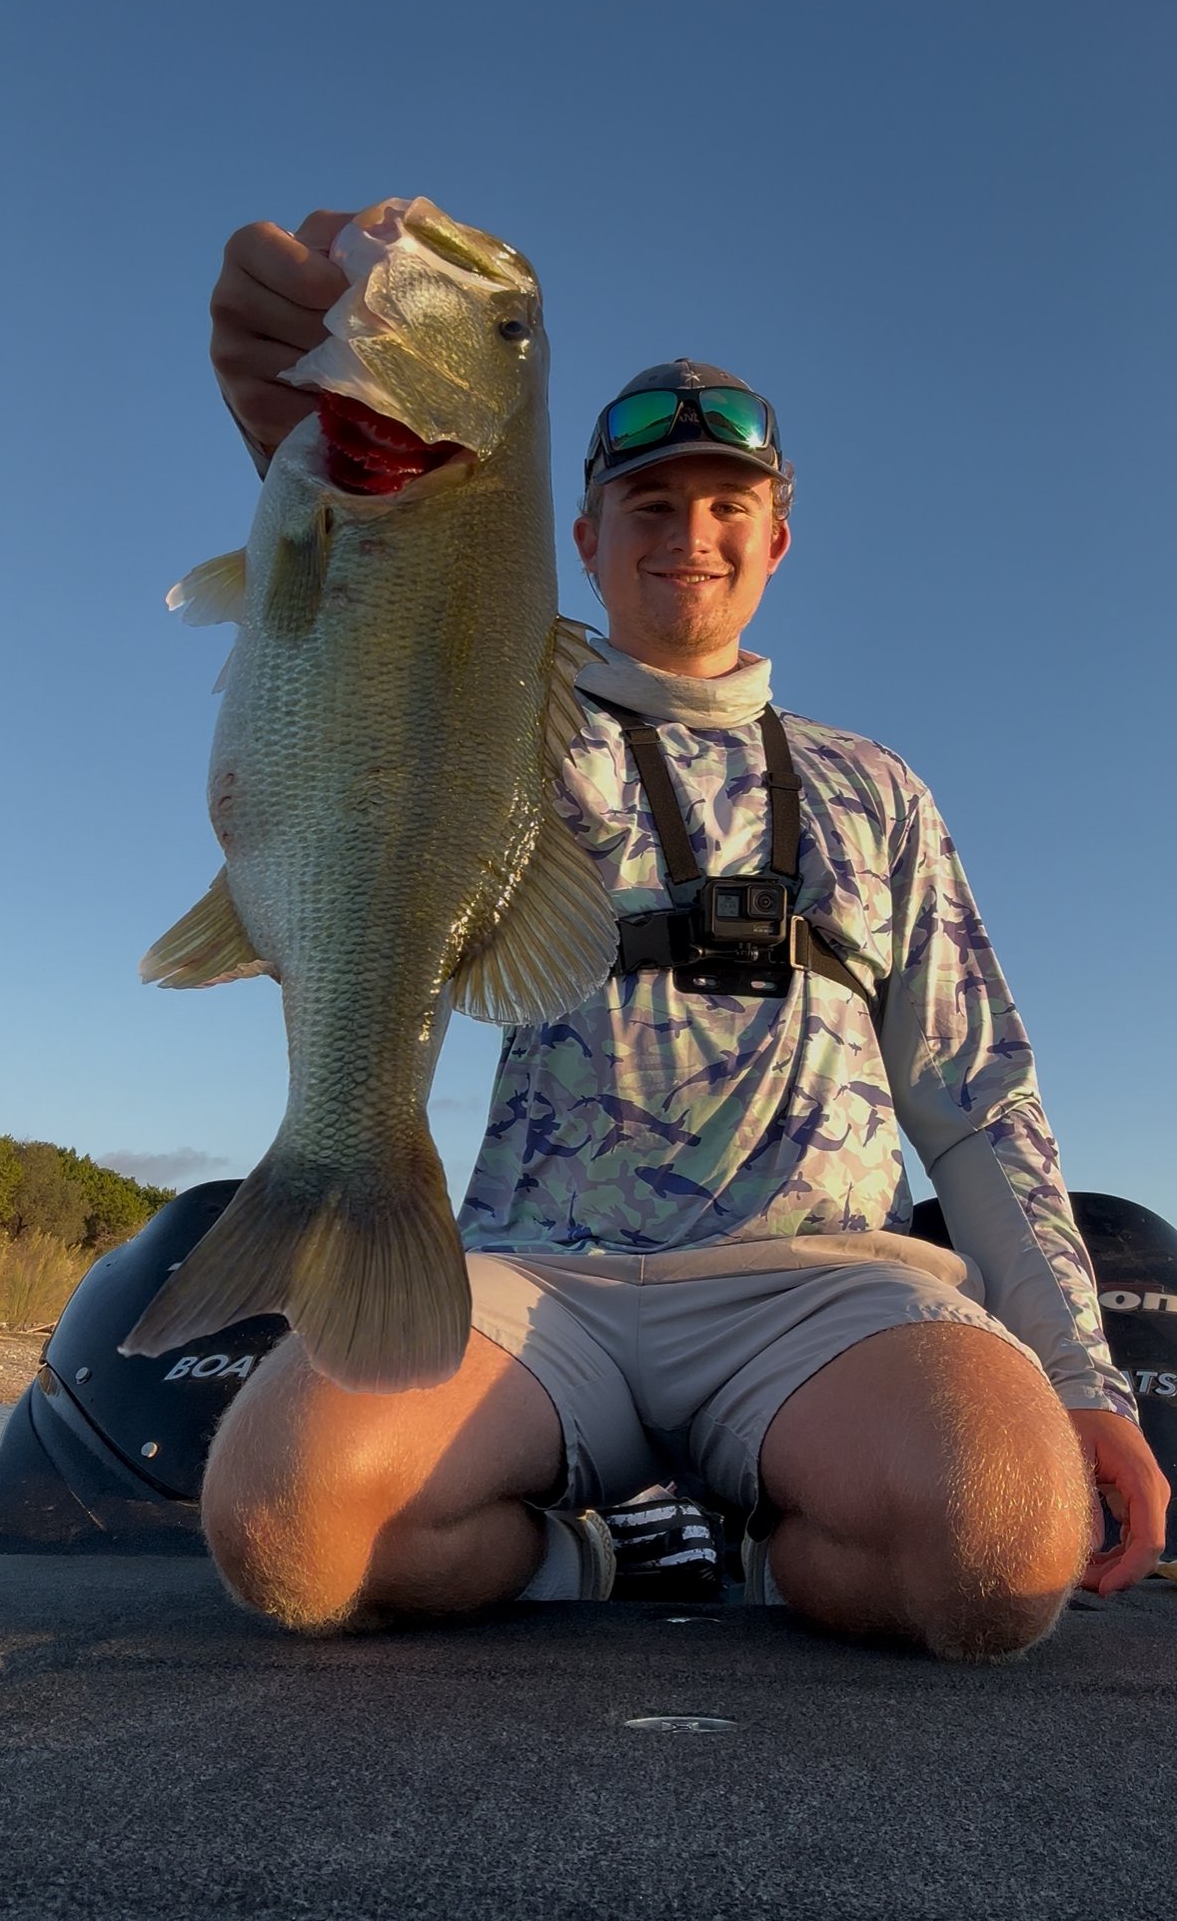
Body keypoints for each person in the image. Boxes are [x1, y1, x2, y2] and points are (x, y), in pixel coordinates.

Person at [198, 207, 1170, 1662]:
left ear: (777, 538)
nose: (691, 536)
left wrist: (1082, 1379)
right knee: (293, 1529)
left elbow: (976, 1102)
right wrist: (325, 452)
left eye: (728, 505)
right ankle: (576, 1553)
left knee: (1001, 1550)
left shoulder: (880, 789)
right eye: (648, 503)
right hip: (539, 1283)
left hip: (820, 1287)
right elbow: (379, 674)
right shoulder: (511, 736)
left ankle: (791, 1530)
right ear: (580, 539)